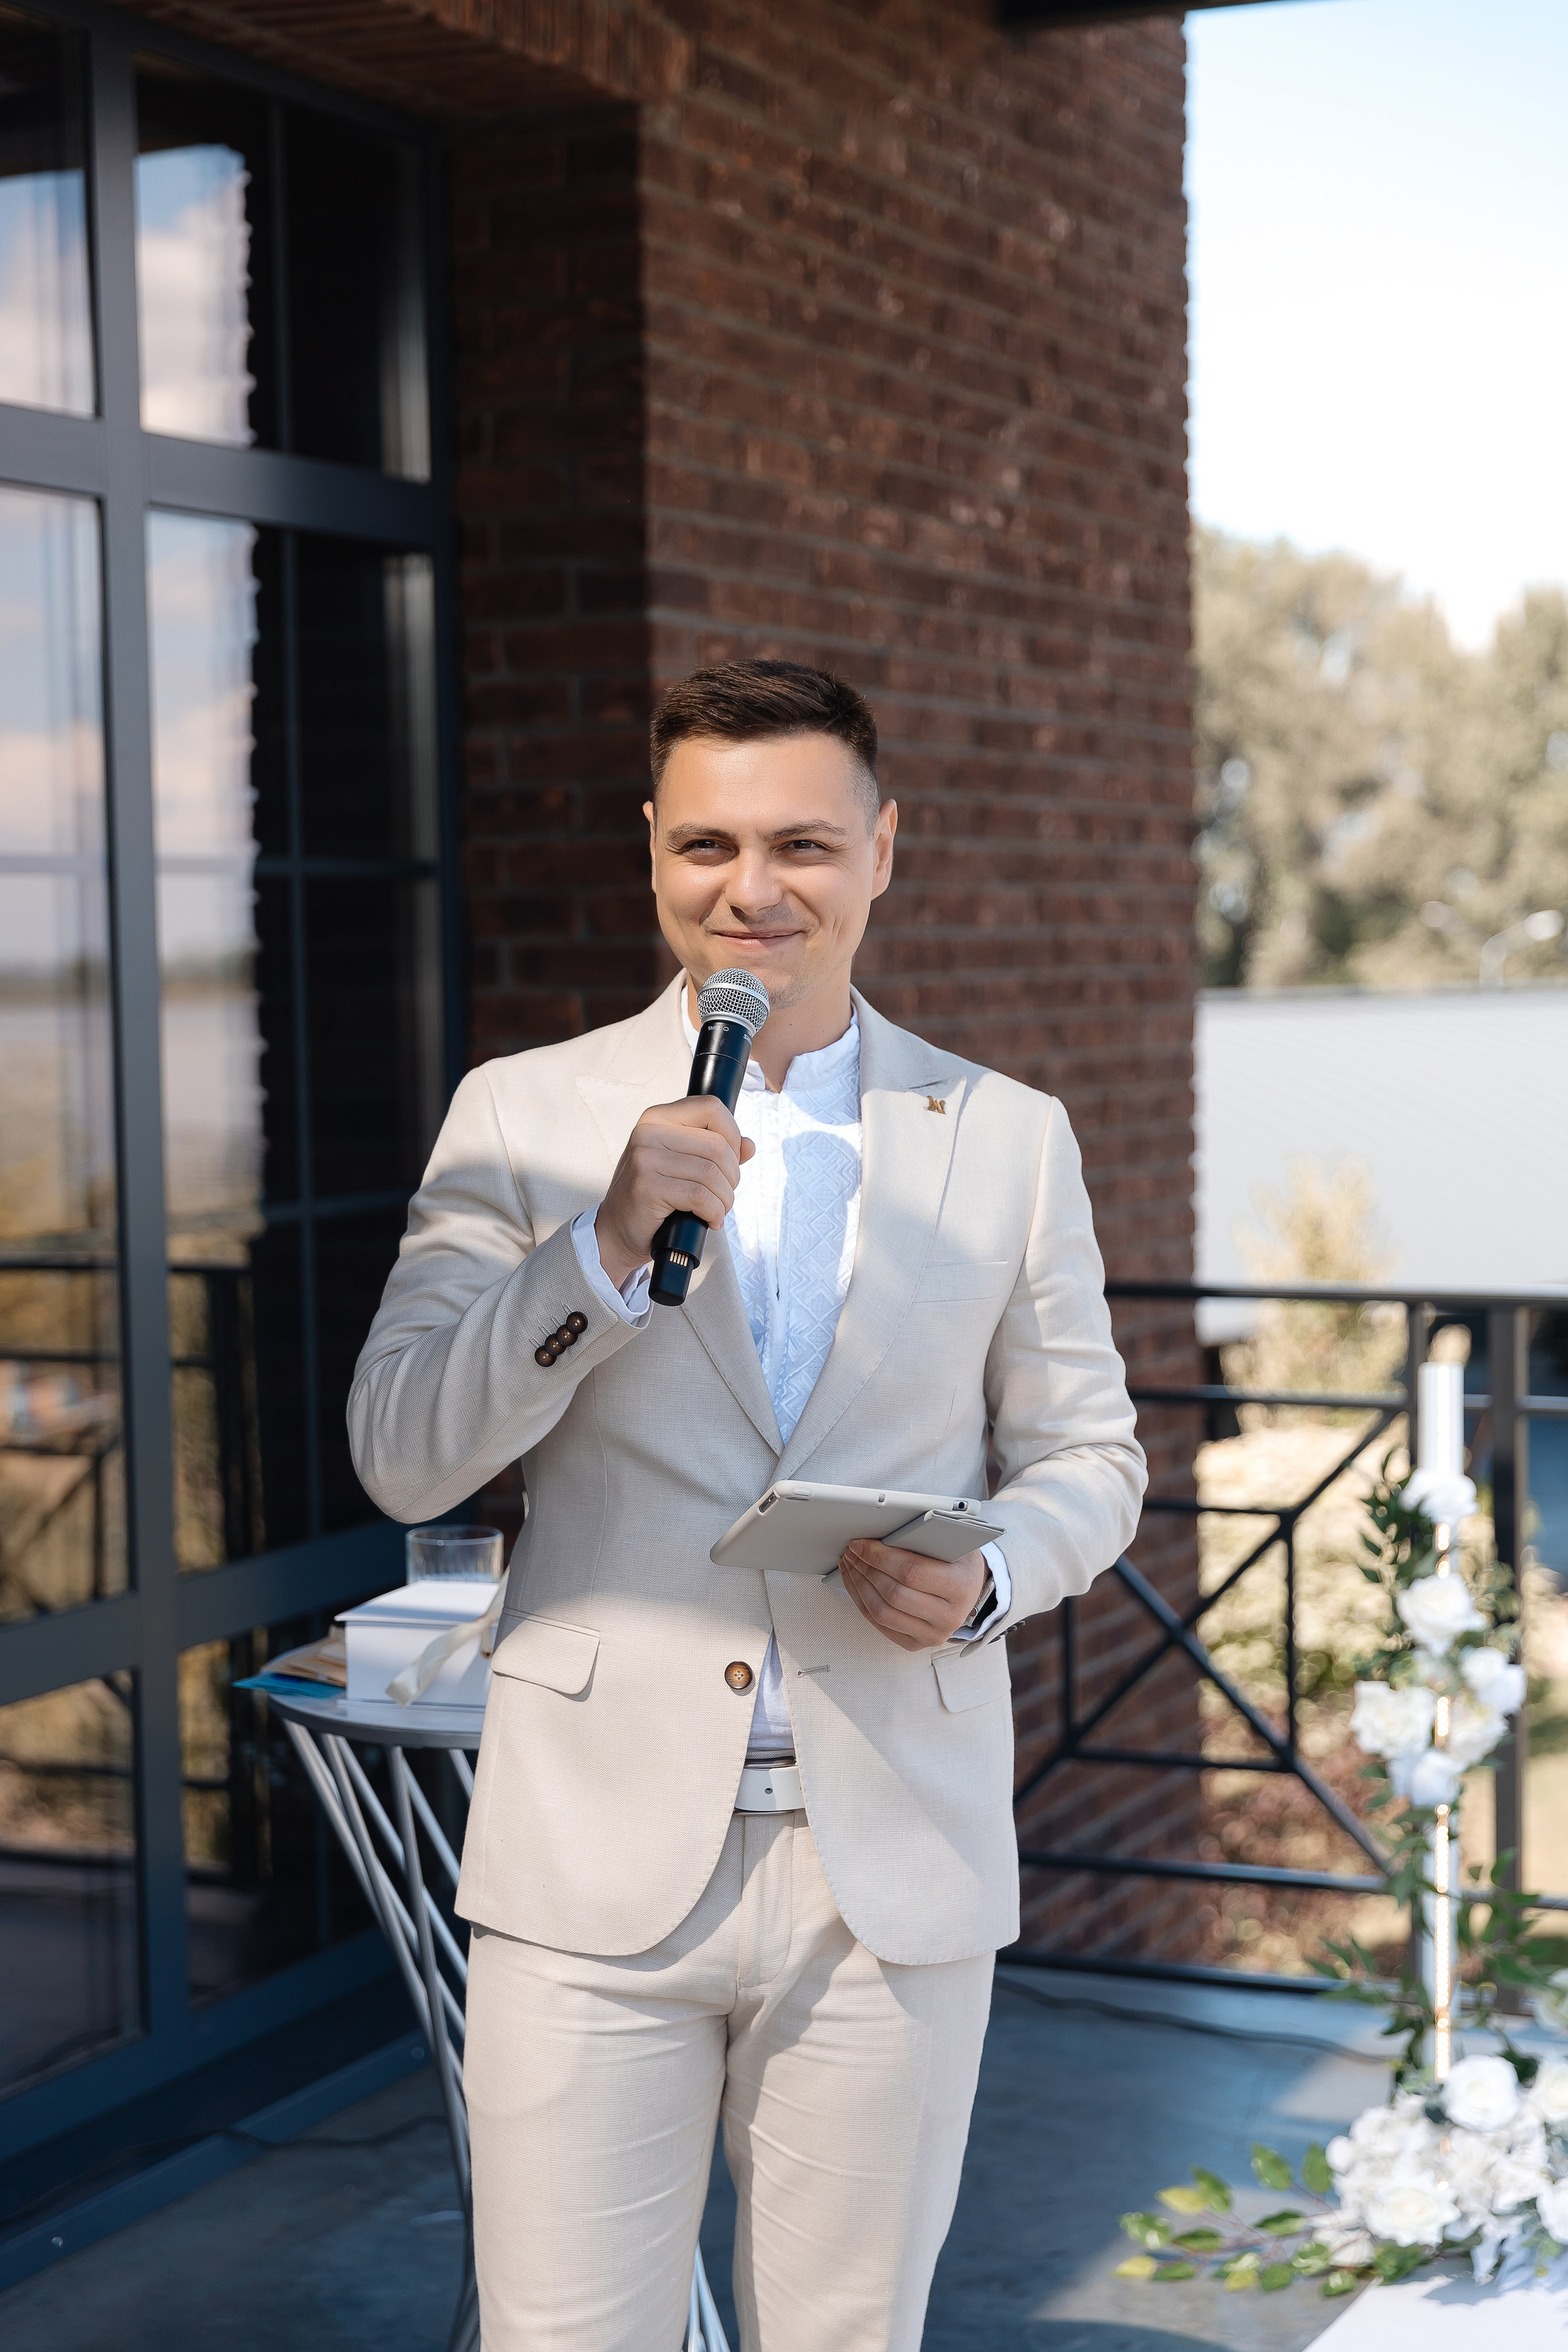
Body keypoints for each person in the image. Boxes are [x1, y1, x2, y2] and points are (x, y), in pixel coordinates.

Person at [348, 658, 1145, 2352]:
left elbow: (1093, 1459)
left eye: (803, 843)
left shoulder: (1007, 1137)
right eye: (707, 843)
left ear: (882, 851)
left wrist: (991, 1571)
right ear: (653, 850)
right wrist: (599, 1250)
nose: (753, 890)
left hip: (894, 1865)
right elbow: (403, 1447)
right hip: (589, 1865)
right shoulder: (527, 1113)